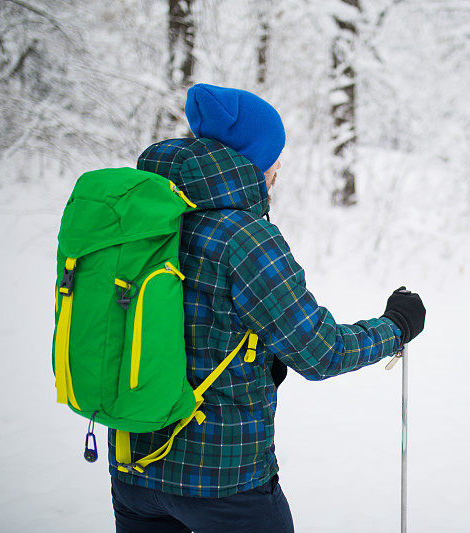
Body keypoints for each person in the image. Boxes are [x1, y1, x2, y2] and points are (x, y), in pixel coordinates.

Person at [108, 83, 426, 533]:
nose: (279, 166)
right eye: (276, 155)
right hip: (224, 481)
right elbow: (321, 352)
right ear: (255, 159)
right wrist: (396, 327)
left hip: (133, 469)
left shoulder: (140, 218)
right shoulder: (245, 237)